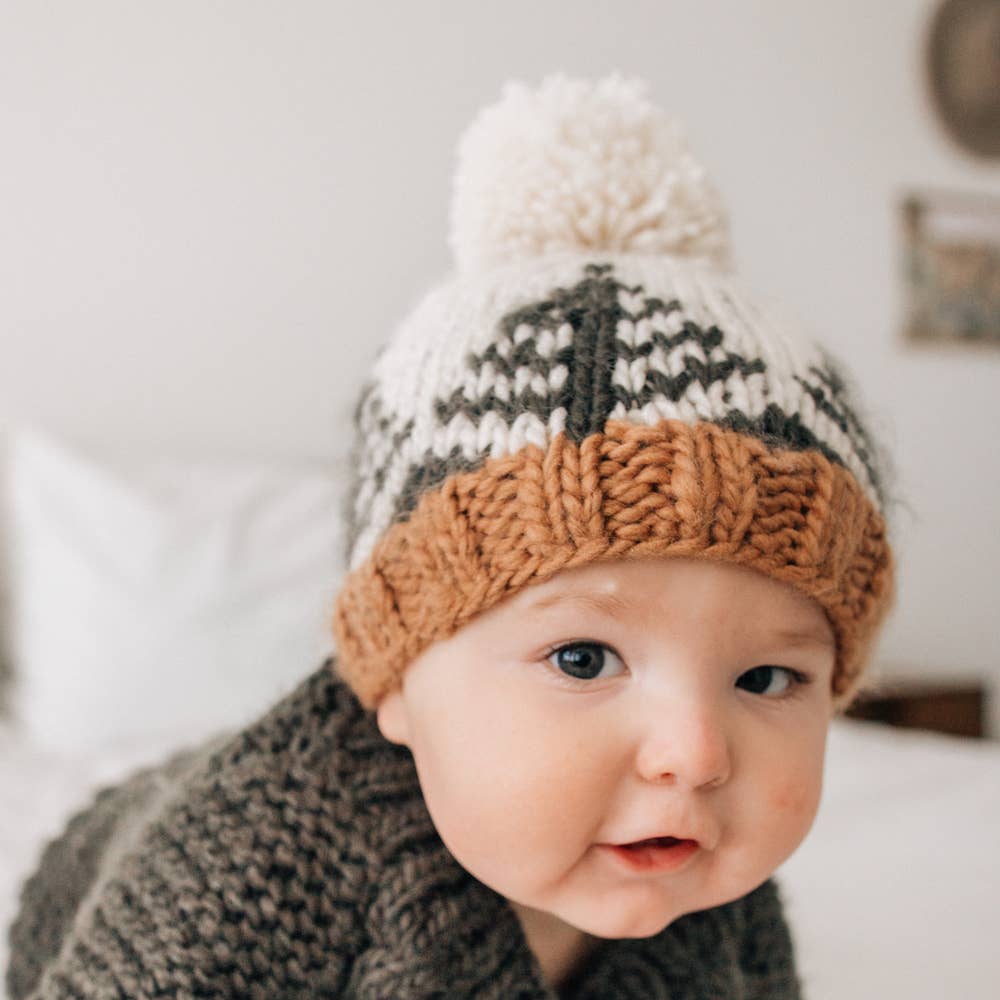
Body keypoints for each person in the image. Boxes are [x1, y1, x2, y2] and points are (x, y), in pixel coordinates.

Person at [6, 73, 897, 999]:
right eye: (584, 659)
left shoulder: (716, 881)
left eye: (766, 679)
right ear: (396, 680)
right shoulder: (254, 865)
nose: (699, 751)